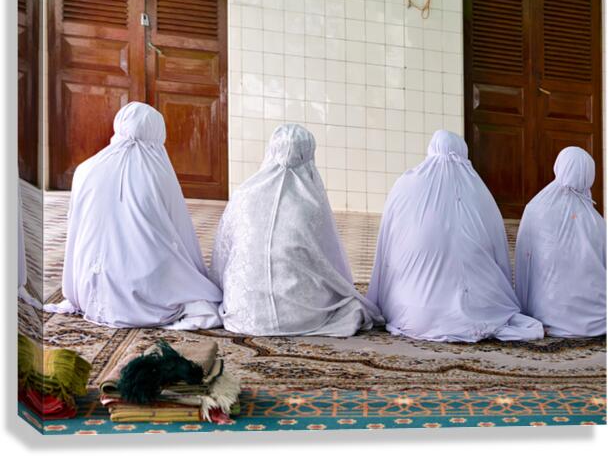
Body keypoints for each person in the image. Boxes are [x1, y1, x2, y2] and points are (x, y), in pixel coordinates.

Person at [45, 102, 222, 329]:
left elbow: (75, 229)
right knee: (177, 266)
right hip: (142, 295)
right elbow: (181, 234)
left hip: (87, 289)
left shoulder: (85, 169)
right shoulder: (158, 175)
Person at [367, 130, 544, 342]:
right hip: (483, 308)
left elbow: (387, 246)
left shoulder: (406, 184)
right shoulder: (479, 192)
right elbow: (500, 254)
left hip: (414, 311)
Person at [211, 123, 382, 336]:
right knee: (348, 305)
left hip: (243, 314)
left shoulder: (244, 194)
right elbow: (329, 264)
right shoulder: (311, 204)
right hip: (300, 319)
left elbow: (222, 255)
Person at [515, 146, 606, 337]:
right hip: (594, 318)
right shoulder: (596, 222)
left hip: (542, 311)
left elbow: (524, 262)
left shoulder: (536, 208)